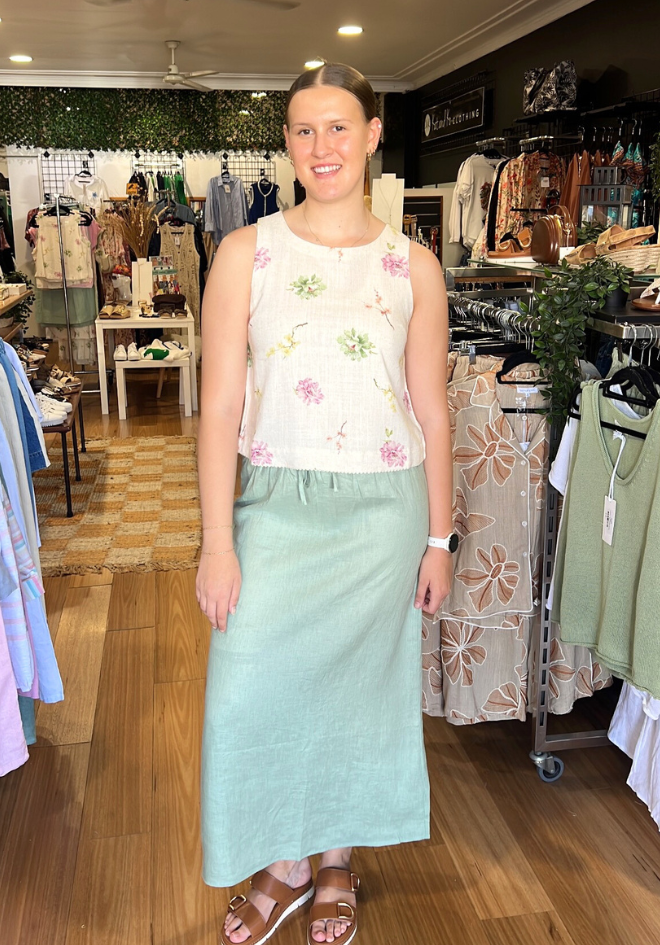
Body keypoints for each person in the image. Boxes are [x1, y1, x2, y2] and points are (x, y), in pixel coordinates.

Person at [196, 62, 454, 945]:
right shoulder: (247, 252)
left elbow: (431, 409)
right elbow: (223, 405)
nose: (323, 147)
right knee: (250, 689)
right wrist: (215, 543)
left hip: (383, 513)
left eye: (340, 127)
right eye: (305, 130)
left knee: (358, 695)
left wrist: (439, 536)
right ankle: (281, 857)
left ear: (374, 135)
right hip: (273, 501)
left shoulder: (412, 265)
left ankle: (333, 860)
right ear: (288, 144)